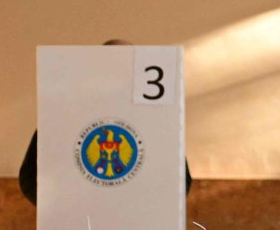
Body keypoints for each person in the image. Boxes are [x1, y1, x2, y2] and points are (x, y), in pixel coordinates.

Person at [17, 39, 192, 205]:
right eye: (111, 65)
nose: (120, 75)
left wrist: (141, 205)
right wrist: (65, 205)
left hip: (137, 227)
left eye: (128, 65)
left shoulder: (157, 118)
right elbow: (30, 179)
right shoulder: (64, 114)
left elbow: (181, 182)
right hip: (79, 226)